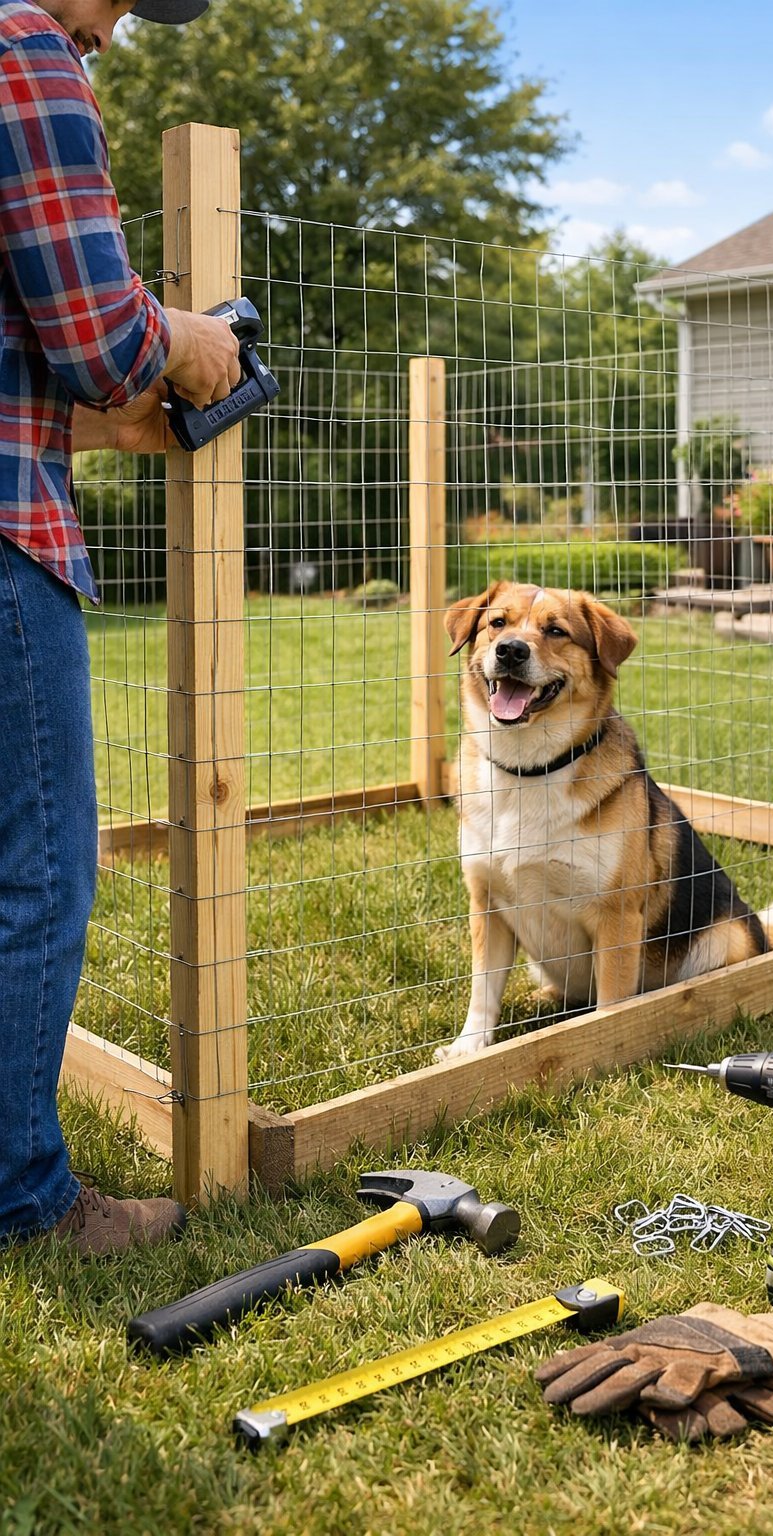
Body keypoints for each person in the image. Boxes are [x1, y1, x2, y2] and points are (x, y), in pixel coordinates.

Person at [1, 0, 243, 1255]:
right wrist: (191, 343)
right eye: (113, 20)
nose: (106, 41)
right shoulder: (22, 43)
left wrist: (102, 413)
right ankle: (23, 1200)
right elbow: (100, 339)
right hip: (4, 534)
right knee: (37, 871)